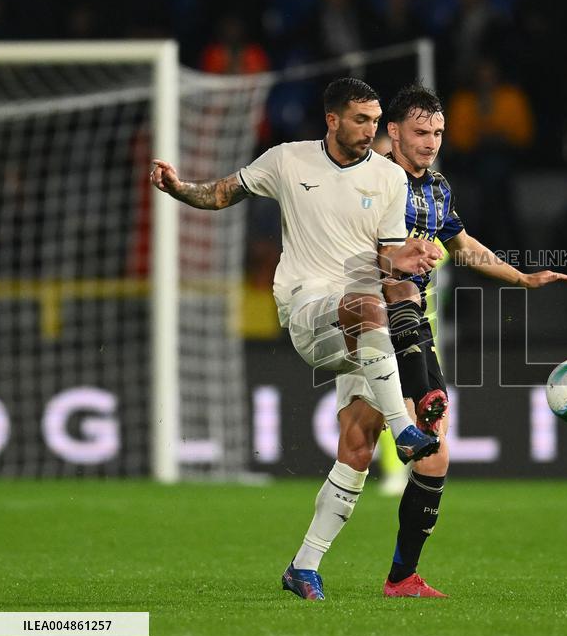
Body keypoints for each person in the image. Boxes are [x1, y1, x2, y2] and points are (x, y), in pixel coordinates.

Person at [150, 78, 444, 602]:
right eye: (361, 119)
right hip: (309, 309)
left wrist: (404, 267)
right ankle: (405, 432)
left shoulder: (389, 179)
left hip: (362, 331)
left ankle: (303, 566)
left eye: (376, 120)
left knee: (356, 446)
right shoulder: (288, 160)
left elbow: (387, 258)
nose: (371, 129)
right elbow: (221, 193)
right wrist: (177, 188)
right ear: (332, 120)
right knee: (367, 304)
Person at [379, 83, 567, 598]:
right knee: (379, 440)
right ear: (393, 132)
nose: (431, 142)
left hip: (409, 323)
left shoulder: (438, 187)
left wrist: (522, 279)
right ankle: (307, 563)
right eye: (421, 132)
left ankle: (401, 578)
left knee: (432, 456)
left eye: (438, 132)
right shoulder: (371, 181)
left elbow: (461, 245)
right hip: (362, 317)